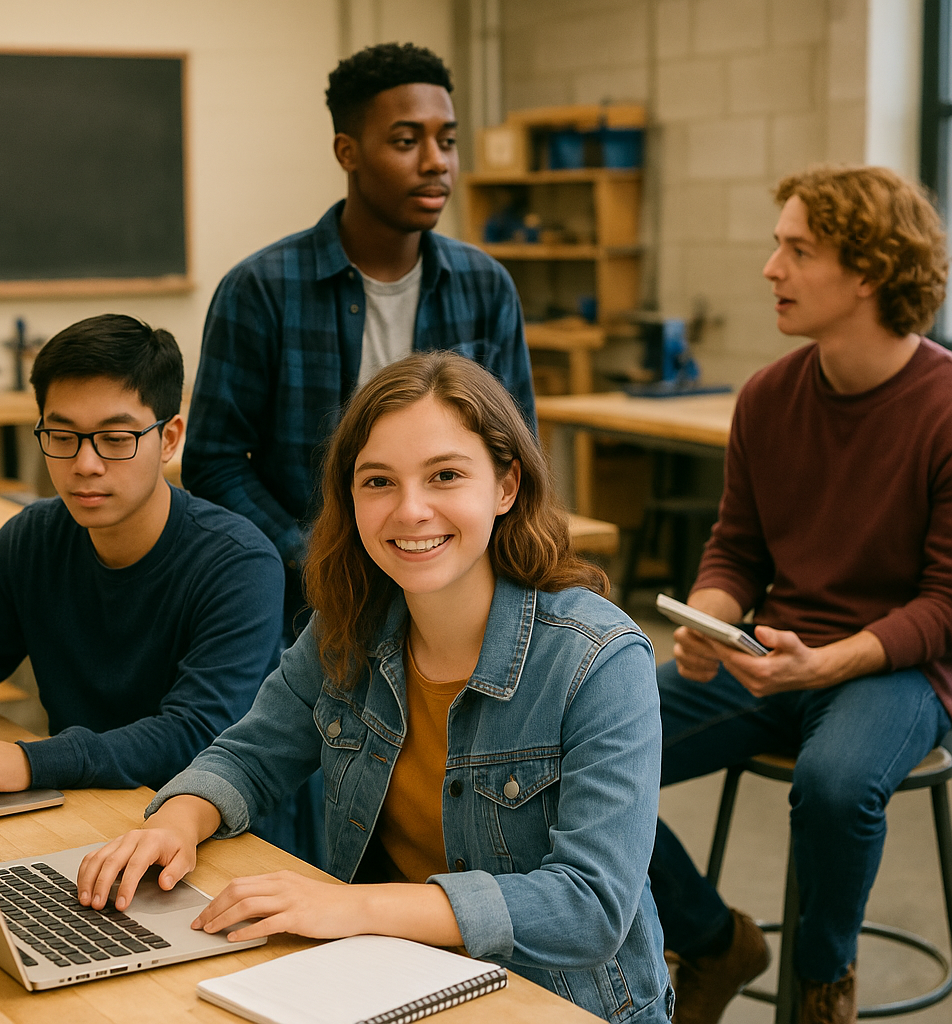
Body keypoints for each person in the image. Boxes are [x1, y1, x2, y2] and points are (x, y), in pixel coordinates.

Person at [76, 351, 671, 1024]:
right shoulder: (348, 625)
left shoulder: (600, 658)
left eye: (445, 475)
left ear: (506, 485)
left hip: (560, 1004)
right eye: (379, 482)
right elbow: (250, 756)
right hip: (391, 979)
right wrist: (177, 822)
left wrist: (350, 907)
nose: (411, 510)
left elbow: (589, 907)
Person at [647, 165, 952, 1024]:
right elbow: (737, 548)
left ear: (869, 273)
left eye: (798, 250)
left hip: (899, 669)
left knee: (835, 784)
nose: (770, 268)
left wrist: (824, 665)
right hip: (773, 652)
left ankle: (822, 985)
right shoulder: (768, 397)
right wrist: (710, 617)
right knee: (574, 743)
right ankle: (712, 941)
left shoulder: (943, 407)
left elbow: (943, 605)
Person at [181, 41, 536, 639]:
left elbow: (517, 450)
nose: (436, 163)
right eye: (406, 141)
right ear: (348, 152)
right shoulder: (261, 290)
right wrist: (321, 559)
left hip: (457, 597)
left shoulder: (485, 286)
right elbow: (215, 464)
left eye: (447, 140)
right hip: (308, 609)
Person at [0, 314, 285, 794]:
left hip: (215, 820)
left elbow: (196, 733)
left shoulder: (240, 565)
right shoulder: (31, 539)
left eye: (116, 439)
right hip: (85, 804)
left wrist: (32, 761)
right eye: (62, 437)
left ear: (169, 439)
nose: (85, 464)